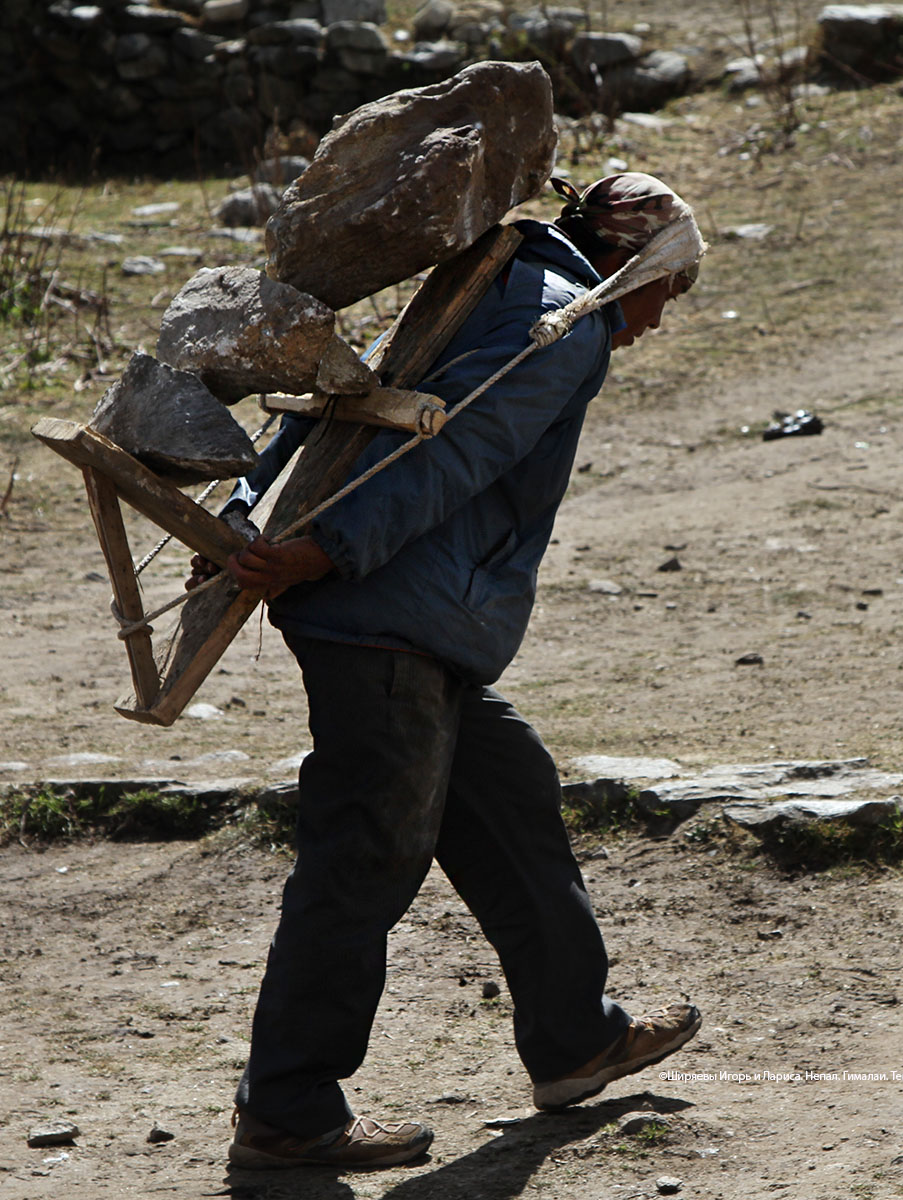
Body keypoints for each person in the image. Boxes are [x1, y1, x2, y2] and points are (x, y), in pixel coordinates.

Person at [189, 172, 704, 1171]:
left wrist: (262, 514)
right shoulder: (565, 323)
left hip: (402, 612)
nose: (656, 319)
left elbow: (357, 394)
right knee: (365, 855)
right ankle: (289, 1110)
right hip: (386, 616)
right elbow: (452, 453)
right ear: (635, 268)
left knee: (508, 797)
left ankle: (574, 1040)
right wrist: (324, 548)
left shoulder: (493, 279)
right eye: (665, 291)